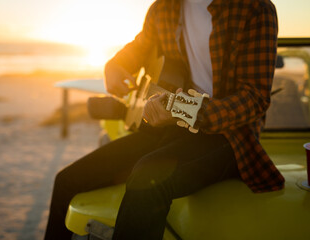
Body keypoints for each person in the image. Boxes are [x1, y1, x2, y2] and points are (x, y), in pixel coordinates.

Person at [44, 0, 285, 239]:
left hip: (230, 136)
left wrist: (185, 111)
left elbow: (254, 98)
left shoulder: (255, 8)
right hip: (169, 128)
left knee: (146, 180)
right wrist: (115, 65)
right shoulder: (165, 8)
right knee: (67, 181)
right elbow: (139, 47)